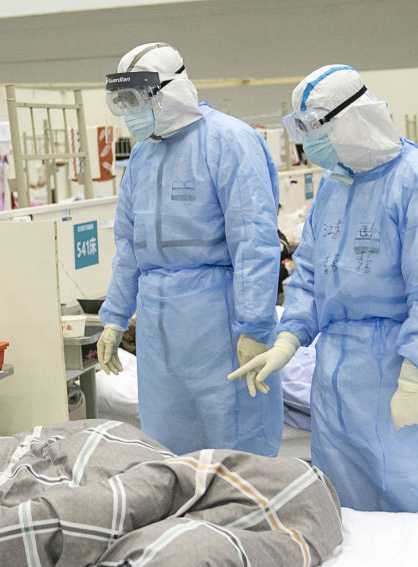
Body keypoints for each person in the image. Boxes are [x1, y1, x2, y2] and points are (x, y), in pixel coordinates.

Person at [230, 65, 418, 513]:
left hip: (403, 369)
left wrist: (414, 377)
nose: (310, 144)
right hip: (338, 379)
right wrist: (288, 340)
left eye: (315, 128)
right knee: (346, 514)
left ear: (352, 119)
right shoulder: (335, 184)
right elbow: (311, 272)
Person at [96, 42, 283, 456]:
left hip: (218, 320)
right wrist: (114, 317)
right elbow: (128, 246)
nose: (130, 110)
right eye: (123, 101)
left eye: (137, 99)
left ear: (170, 91)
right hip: (157, 323)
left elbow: (254, 242)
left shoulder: (229, 141)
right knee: (167, 443)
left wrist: (254, 327)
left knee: (233, 442)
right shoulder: (142, 156)